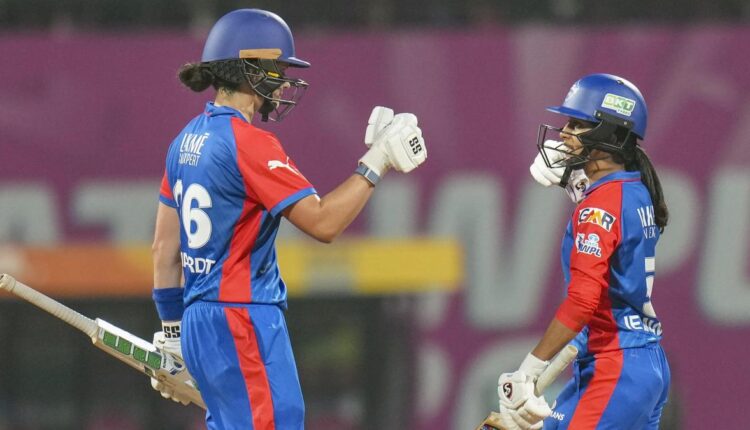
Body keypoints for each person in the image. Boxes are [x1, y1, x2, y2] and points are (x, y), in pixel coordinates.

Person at [149, 8, 427, 429]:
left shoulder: (184, 140)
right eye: (277, 70)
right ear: (249, 68)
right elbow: (324, 224)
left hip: (198, 321)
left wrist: (173, 333)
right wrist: (378, 160)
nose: (283, 82)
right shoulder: (249, 143)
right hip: (243, 319)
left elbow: (163, 250)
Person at [496, 73, 670, 430]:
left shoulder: (599, 206)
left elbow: (582, 301)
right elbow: (612, 210)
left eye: (577, 124)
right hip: (641, 362)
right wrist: (575, 180)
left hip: (614, 366)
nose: (564, 133)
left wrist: (527, 372)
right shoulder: (636, 190)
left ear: (611, 135)